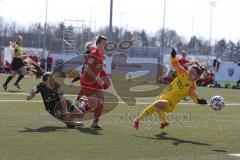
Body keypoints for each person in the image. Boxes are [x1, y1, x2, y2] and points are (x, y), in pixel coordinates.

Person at [132, 48, 207, 129]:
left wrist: (199, 101)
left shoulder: (192, 86)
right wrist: (173, 56)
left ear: (196, 77)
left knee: (157, 104)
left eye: (193, 73)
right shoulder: (182, 73)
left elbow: (193, 96)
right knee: (156, 107)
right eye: (190, 71)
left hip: (170, 104)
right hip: (164, 96)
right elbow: (175, 64)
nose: (190, 73)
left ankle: (139, 120)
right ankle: (162, 122)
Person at [76, 35, 111, 129]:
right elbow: (87, 68)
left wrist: (103, 77)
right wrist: (97, 77)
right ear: (98, 44)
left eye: (105, 44)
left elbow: (98, 67)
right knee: (95, 103)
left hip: (95, 80)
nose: (105, 45)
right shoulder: (94, 53)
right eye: (103, 43)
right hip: (87, 81)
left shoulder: (101, 53)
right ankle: (80, 109)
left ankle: (95, 123)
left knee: (101, 101)